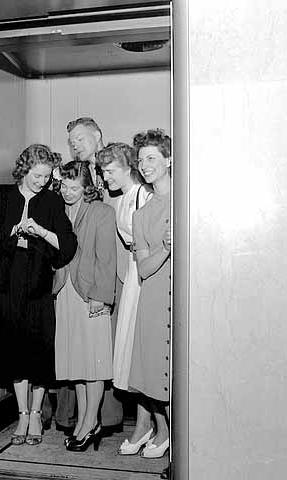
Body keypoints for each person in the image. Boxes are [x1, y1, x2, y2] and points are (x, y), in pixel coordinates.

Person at [0, 144, 77, 446]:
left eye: (47, 177)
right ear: (24, 169)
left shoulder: (52, 201)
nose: (43, 182)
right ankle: (22, 414)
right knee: (13, 351)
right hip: (7, 284)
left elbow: (67, 245)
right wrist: (14, 231)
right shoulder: (1, 195)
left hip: (38, 285)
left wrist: (39, 235)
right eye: (37, 175)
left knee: (37, 352)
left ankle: (36, 414)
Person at [64, 117, 125, 433]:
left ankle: (103, 421)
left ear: (98, 136)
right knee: (88, 355)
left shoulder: (113, 171)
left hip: (115, 274)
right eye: (71, 140)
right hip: (81, 279)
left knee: (108, 355)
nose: (75, 144)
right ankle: (91, 420)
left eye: (80, 138)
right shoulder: (73, 181)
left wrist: (102, 293)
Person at [52, 160, 117, 452]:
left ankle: (92, 421)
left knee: (94, 362)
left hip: (90, 292)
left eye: (74, 187)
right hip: (65, 290)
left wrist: (100, 296)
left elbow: (107, 259)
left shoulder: (102, 212)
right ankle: (82, 421)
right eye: (64, 186)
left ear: (87, 186)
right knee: (76, 361)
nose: (67, 192)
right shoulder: (59, 209)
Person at [96, 143, 153, 454]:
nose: (105, 178)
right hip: (132, 274)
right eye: (103, 172)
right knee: (132, 351)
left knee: (142, 350)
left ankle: (152, 426)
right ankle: (146, 425)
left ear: (128, 167)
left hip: (145, 274)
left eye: (110, 171)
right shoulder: (122, 200)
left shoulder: (144, 195)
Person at [122, 129, 172, 459]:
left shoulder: (189, 199)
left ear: (170, 160)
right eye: (141, 160)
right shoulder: (140, 215)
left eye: (151, 157)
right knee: (154, 371)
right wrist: (167, 248)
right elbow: (142, 268)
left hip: (184, 298)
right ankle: (164, 430)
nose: (145, 164)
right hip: (154, 298)